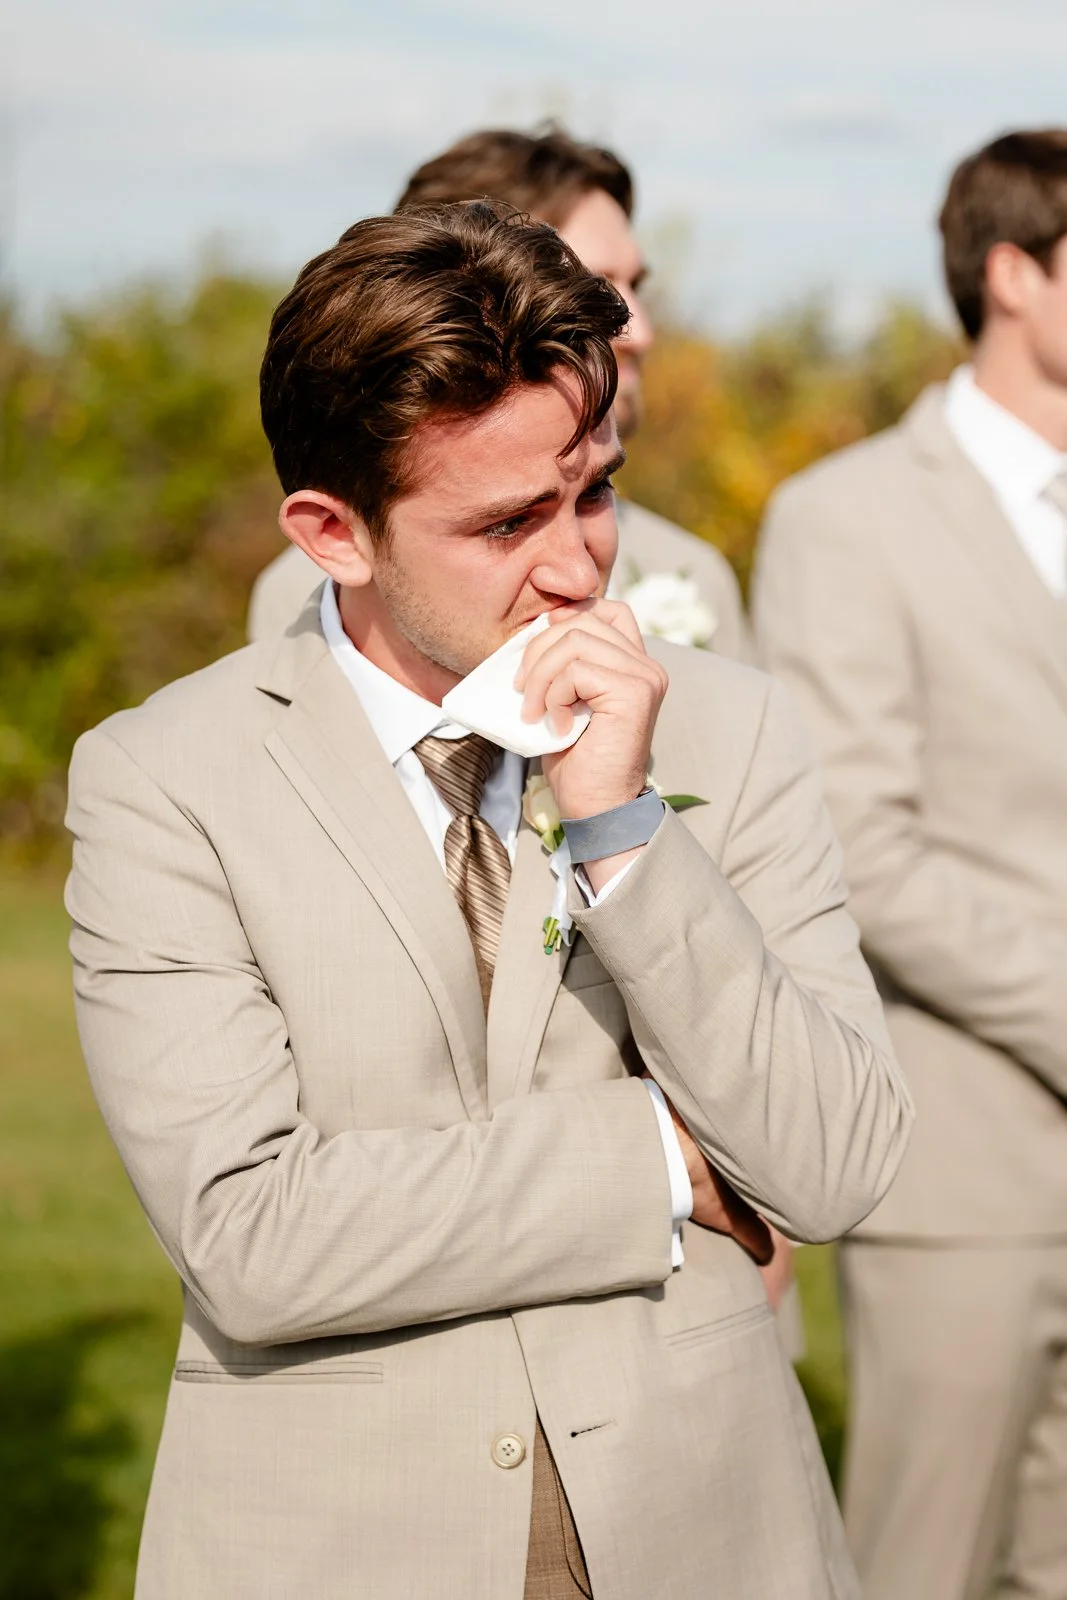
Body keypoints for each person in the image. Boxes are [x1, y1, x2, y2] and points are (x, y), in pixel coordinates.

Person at [67, 202, 911, 1599]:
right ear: (332, 533)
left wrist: (625, 828)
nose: (580, 566)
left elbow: (829, 1161)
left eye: (593, 491)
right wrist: (657, 1156)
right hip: (335, 1539)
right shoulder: (162, 779)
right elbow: (255, 1238)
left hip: (702, 1523)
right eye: (507, 520)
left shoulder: (731, 727)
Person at [753, 129, 1067, 1600]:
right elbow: (857, 847)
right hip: (962, 1167)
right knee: (925, 1570)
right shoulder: (842, 519)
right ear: (1012, 273)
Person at [247, 125, 750, 661]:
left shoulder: (694, 570)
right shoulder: (317, 594)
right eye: (589, 286)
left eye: (635, 285)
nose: (640, 332)